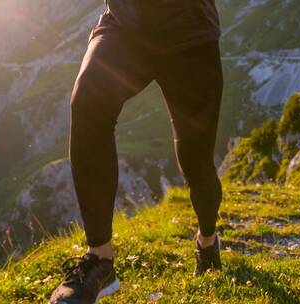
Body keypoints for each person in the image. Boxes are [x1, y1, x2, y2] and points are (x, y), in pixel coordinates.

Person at [49, 1, 224, 303]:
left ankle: (207, 240)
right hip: (125, 25)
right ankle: (100, 260)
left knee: (197, 165)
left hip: (191, 35)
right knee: (88, 100)